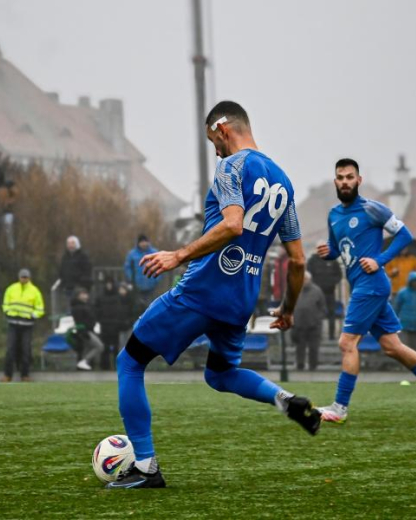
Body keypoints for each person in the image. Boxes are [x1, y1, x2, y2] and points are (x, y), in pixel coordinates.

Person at [107, 101, 319, 489]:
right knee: (220, 374)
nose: (216, 151)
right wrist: (287, 309)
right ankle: (284, 400)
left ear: (222, 128)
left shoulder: (232, 166)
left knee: (130, 361)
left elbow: (233, 224)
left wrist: (179, 254)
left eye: (213, 141)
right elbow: (299, 261)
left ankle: (146, 466)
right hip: (241, 300)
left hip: (202, 291)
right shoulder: (284, 183)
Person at [315, 158, 416, 426]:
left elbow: (405, 235)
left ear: (359, 180)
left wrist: (379, 260)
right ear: (336, 182)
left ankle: (339, 408)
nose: (345, 181)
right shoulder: (334, 214)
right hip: (362, 286)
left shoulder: (372, 209)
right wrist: (327, 253)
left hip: (372, 285)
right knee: (392, 346)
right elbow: (339, 249)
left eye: (349, 177)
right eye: (340, 177)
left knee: (347, 343)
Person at [1, 269, 45, 382]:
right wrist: (7, 312)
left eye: (25, 277)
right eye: (22, 277)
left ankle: (25, 375)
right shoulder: (11, 289)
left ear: (29, 278)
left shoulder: (35, 291)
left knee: (26, 350)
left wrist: (32, 316)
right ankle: (7, 375)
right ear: (19, 277)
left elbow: (40, 308)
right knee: (10, 349)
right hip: (13, 323)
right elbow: (5, 303)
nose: (24, 279)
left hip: (27, 325)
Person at [291, 271, 327, 370]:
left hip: (314, 325)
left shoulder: (317, 291)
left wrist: (317, 319)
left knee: (313, 347)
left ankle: (313, 365)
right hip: (299, 324)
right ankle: (300, 364)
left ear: (309, 279)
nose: (303, 281)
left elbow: (323, 308)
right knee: (300, 347)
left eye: (305, 279)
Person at [95, 279, 133, 370]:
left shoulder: (118, 298)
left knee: (116, 346)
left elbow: (123, 310)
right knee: (105, 347)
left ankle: (116, 365)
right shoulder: (101, 298)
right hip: (105, 325)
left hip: (115, 325)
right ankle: (105, 366)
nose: (109, 286)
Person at [393, 271, 416, 356]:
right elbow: (396, 308)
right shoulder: (402, 293)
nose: (415, 283)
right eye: (414, 281)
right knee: (405, 348)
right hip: (405, 324)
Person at [306, 252, 342, 340]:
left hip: (330, 292)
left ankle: (331, 336)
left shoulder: (332, 260)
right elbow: (308, 274)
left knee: (331, 313)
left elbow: (339, 274)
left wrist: (332, 283)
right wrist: (314, 285)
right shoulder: (313, 260)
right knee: (317, 314)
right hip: (317, 293)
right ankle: (317, 335)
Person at [67, 287, 104, 371]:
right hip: (85, 331)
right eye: (82, 294)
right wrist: (84, 331)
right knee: (99, 346)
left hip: (89, 330)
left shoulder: (86, 305)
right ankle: (84, 361)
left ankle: (82, 365)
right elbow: (80, 321)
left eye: (86, 294)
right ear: (77, 296)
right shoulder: (78, 307)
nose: (85, 296)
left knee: (87, 349)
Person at [124, 234, 160, 313]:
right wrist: (132, 279)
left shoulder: (154, 253)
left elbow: (159, 266)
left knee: (151, 308)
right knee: (138, 308)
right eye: (142, 242)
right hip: (137, 287)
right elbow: (127, 268)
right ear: (138, 243)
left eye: (145, 241)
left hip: (151, 286)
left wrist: (156, 280)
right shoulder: (132, 254)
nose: (144, 244)